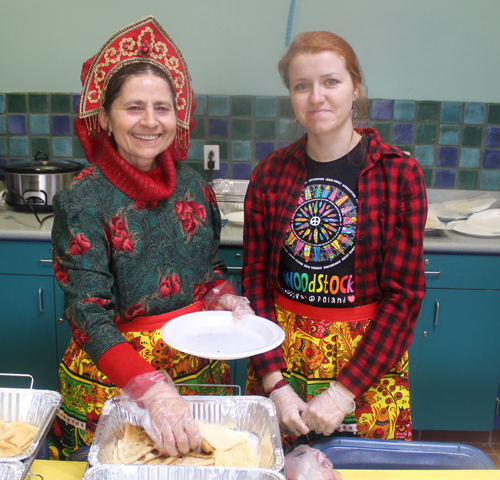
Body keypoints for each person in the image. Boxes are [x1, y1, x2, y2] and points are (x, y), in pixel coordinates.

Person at [49, 15, 252, 460]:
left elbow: (208, 269)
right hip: (118, 385)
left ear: (177, 116)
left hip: (199, 370)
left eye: (162, 107)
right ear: (105, 116)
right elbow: (87, 314)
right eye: (133, 107)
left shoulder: (193, 185)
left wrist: (224, 296)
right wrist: (154, 393)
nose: (150, 121)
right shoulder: (81, 201)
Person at [242, 31, 427, 452]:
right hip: (281, 359)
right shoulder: (270, 174)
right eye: (301, 86)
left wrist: (344, 392)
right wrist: (276, 384)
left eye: (331, 81)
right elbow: (255, 282)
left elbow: (404, 297)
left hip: (368, 365)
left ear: (355, 87)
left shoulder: (399, 176)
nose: (316, 97)